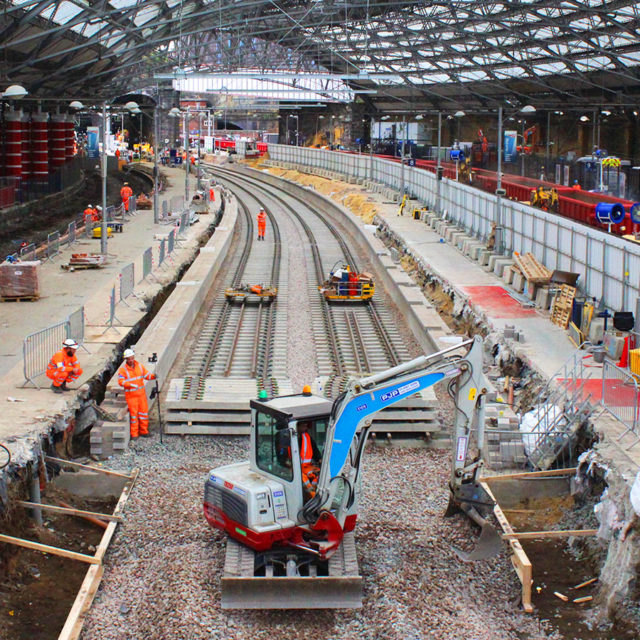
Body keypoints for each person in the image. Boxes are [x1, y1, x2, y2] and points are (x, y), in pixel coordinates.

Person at [117, 348, 156, 440]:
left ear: (133, 357)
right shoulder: (123, 370)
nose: (130, 360)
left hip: (141, 395)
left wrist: (153, 376)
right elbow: (120, 382)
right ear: (126, 359)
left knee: (143, 414)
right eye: (128, 359)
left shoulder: (140, 366)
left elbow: (146, 375)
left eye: (131, 358)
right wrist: (129, 385)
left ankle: (144, 431)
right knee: (134, 416)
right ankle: (134, 434)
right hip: (131, 396)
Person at [297, 421, 322, 498]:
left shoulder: (307, 437)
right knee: (302, 478)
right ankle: (313, 498)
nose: (306, 428)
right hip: (294, 469)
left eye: (306, 426)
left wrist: (320, 460)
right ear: (297, 427)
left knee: (320, 474)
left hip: (307, 467)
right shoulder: (287, 439)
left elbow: (315, 451)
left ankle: (318, 494)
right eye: (303, 426)